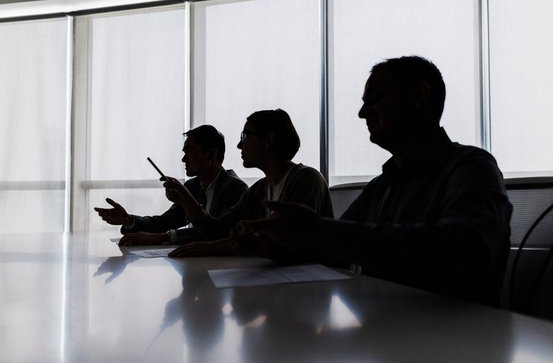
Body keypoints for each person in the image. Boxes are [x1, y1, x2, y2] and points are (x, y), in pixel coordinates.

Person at [232, 56, 513, 307]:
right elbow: (334, 250)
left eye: (374, 98)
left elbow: (464, 251)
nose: (362, 113)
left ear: (419, 94)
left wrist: (317, 232)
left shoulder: (472, 167)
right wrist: (273, 246)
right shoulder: (382, 185)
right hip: (389, 336)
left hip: (459, 346)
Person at [163, 108, 333, 258]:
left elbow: (290, 245)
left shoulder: (308, 179)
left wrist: (215, 247)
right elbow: (218, 230)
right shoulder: (259, 189)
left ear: (268, 140)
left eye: (245, 136)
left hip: (311, 286)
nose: (239, 145)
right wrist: (185, 199)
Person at [94, 125, 248, 245]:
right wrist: (128, 219)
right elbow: (164, 222)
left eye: (189, 151)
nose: (183, 159)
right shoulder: (193, 186)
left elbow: (218, 231)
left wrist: (164, 237)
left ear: (211, 154)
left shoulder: (236, 189)